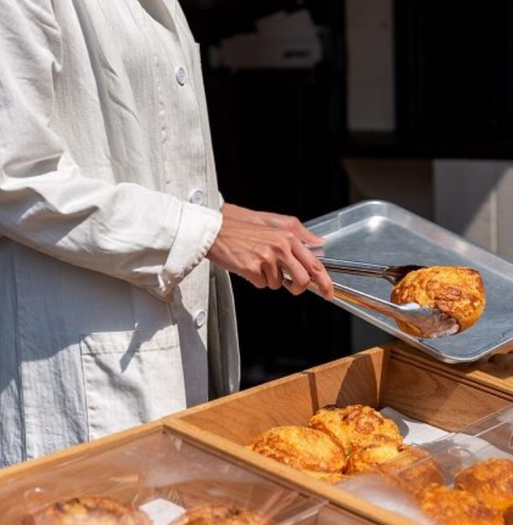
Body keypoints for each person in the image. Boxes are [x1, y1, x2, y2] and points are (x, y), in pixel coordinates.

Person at [0, 0, 334, 467]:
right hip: (78, 361)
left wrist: (224, 216)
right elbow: (13, 176)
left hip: (164, 347)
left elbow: (134, 151)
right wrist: (201, 231)